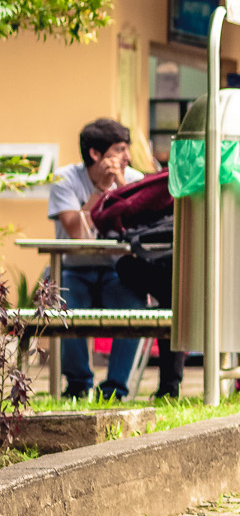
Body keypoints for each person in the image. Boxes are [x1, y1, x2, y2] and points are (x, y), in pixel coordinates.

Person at [48, 118, 149, 398]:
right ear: (96, 154)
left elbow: (140, 228)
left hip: (119, 271)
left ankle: (116, 388)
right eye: (120, 149)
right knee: (63, 301)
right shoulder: (65, 179)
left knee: (134, 306)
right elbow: (76, 232)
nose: (127, 156)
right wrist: (100, 192)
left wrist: (119, 185)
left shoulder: (135, 181)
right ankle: (79, 384)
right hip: (74, 270)